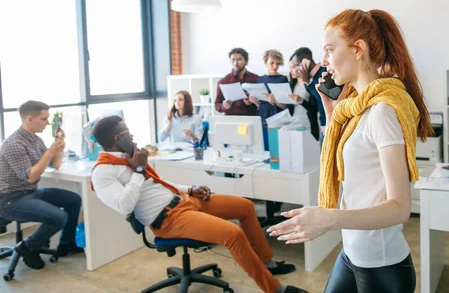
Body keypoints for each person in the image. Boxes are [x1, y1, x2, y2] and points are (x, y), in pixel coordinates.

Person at [267, 9, 433, 293]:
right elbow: (351, 158)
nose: (324, 61)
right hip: (353, 252)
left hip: (381, 265)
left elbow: (400, 207)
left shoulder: (382, 111)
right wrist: (331, 111)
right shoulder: (354, 107)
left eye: (330, 50)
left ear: (358, 50)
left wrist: (329, 218)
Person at [90, 116, 307, 293]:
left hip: (184, 201)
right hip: (169, 219)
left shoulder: (130, 157)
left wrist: (189, 189)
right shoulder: (103, 171)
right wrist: (138, 170)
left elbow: (160, 185)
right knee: (233, 234)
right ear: (118, 137)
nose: (133, 135)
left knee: (245, 206)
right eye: (128, 132)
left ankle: (267, 262)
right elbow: (124, 206)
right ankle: (275, 289)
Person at [0, 101, 83, 270]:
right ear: (30, 118)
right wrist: (50, 151)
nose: (48, 123)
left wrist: (58, 145)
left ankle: (67, 243)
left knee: (74, 200)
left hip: (30, 193)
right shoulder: (13, 144)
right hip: (11, 200)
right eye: (44, 119)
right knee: (58, 217)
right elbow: (31, 177)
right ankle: (28, 247)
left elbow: (55, 165)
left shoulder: (35, 140)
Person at [248, 50, 290, 150]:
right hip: (262, 118)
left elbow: (285, 106)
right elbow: (260, 104)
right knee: (263, 148)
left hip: (277, 120)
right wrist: (255, 101)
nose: (275, 66)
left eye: (277, 63)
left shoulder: (282, 79)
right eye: (272, 63)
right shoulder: (260, 79)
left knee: (276, 150)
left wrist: (275, 100)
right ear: (266, 62)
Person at [291, 47, 327, 139]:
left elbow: (323, 98)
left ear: (305, 61)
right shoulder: (313, 77)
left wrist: (307, 82)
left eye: (298, 65)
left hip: (328, 123)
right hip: (323, 123)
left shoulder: (324, 72)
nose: (298, 69)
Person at [215, 48, 259, 116]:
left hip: (252, 118)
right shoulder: (223, 81)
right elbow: (217, 105)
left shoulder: (256, 79)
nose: (235, 63)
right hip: (231, 120)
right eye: (233, 60)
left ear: (246, 61)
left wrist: (254, 102)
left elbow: (264, 103)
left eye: (239, 59)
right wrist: (224, 106)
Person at [288, 54, 320, 141]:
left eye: (293, 67)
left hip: (309, 124)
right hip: (294, 123)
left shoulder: (310, 84)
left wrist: (301, 101)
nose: (291, 70)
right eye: (290, 68)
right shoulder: (292, 85)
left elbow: (315, 109)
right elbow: (290, 109)